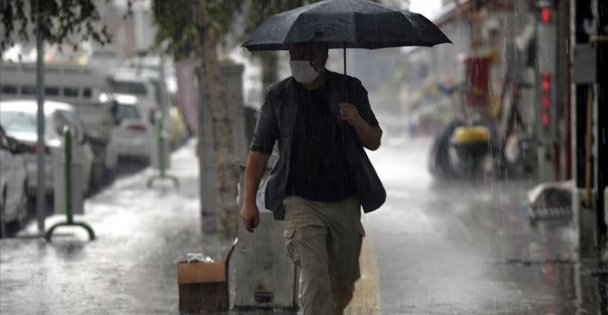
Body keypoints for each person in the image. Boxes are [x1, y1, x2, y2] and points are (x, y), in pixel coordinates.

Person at [240, 42, 385, 315]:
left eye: (304, 54)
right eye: (293, 54)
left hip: (344, 201)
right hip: (300, 202)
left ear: (323, 55)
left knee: (343, 284)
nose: (297, 60)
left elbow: (374, 140)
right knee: (315, 281)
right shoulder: (278, 96)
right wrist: (248, 202)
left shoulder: (350, 90)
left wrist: (356, 120)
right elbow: (259, 150)